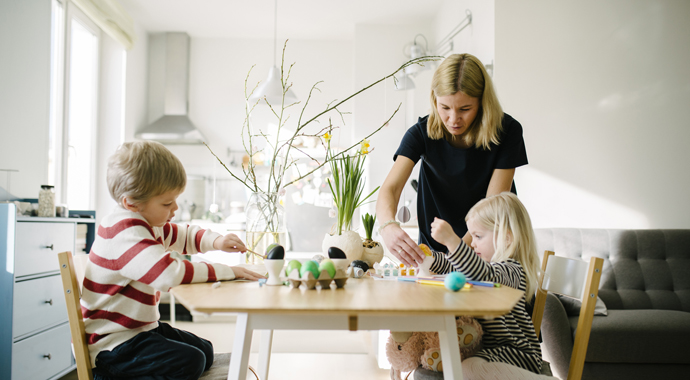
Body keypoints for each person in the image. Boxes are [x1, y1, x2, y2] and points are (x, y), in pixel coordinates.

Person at [81, 141, 265, 380]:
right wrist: (229, 271)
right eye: (167, 203)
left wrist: (217, 241)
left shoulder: (145, 224)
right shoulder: (124, 232)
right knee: (192, 361)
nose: (175, 208)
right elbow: (168, 274)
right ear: (131, 203)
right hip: (115, 346)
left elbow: (181, 235)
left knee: (205, 351)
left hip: (140, 332)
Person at [376, 53, 528, 267]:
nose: (453, 119)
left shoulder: (507, 132)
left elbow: (492, 208)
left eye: (465, 109)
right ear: (434, 99)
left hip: (490, 251)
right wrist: (388, 227)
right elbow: (389, 189)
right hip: (435, 253)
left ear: (483, 102)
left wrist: (457, 253)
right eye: (445, 107)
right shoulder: (420, 133)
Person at [428, 192, 553, 379]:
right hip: (493, 350)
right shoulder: (484, 266)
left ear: (507, 238)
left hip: (517, 354)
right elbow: (456, 266)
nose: (473, 244)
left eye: (478, 236)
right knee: (456, 363)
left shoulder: (511, 270)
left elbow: (483, 275)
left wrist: (452, 241)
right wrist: (426, 258)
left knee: (466, 368)